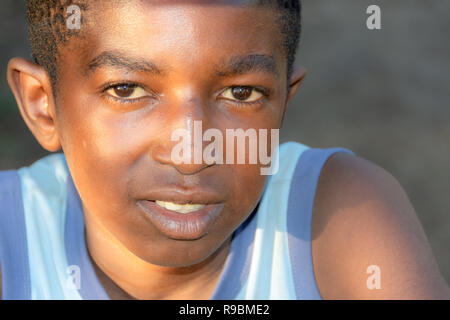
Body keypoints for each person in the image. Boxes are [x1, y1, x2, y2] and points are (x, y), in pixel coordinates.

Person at [1, 0, 449, 299]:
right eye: (127, 89)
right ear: (44, 107)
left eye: (241, 94)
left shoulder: (336, 211)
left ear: (283, 104)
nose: (191, 154)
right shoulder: (10, 236)